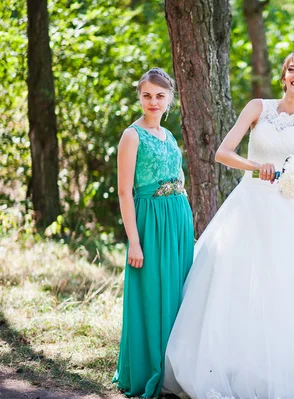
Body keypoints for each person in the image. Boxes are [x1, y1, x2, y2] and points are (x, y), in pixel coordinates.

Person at [162, 50, 294, 399]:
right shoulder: (259, 108)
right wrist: (254, 167)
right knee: (235, 286)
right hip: (249, 207)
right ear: (284, 76)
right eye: (291, 69)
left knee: (293, 291)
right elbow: (222, 152)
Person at [113, 67, 194, 398]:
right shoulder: (132, 136)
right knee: (152, 292)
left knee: (177, 291)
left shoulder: (169, 136)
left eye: (160, 96)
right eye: (147, 95)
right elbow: (124, 192)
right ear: (139, 96)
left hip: (177, 218)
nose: (153, 101)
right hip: (150, 221)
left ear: (170, 99)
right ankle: (149, 369)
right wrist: (134, 240)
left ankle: (175, 369)